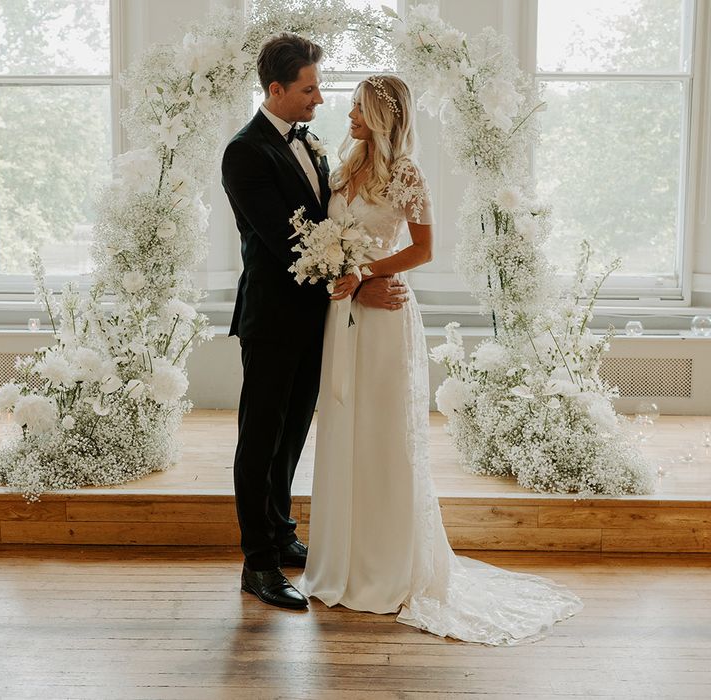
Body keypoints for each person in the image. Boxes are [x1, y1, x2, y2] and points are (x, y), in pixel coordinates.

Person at [299, 75, 583, 644]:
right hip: (343, 313)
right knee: (341, 425)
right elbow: (327, 238)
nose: (347, 113)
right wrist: (342, 276)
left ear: (382, 116)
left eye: (357, 108)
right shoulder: (342, 165)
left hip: (384, 318)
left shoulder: (407, 174)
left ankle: (386, 565)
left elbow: (425, 249)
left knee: (382, 434)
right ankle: (341, 562)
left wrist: (366, 272)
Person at [221, 36, 407, 610]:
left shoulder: (314, 145)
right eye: (309, 88)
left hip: (318, 320)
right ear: (275, 90)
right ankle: (258, 564)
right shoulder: (245, 152)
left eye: (319, 87)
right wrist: (359, 286)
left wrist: (359, 284)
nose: (319, 99)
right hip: (273, 319)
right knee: (260, 437)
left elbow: (335, 226)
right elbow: (288, 243)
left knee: (293, 432)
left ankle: (280, 533)